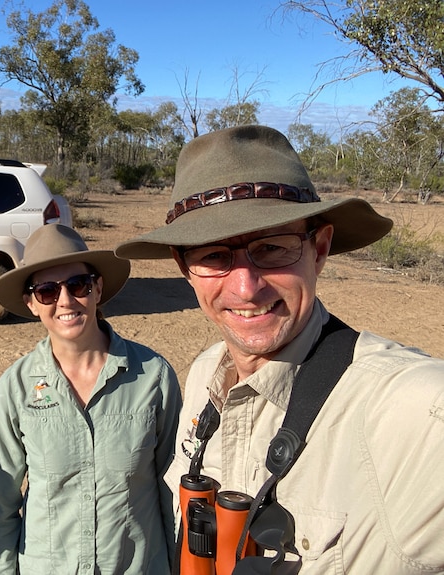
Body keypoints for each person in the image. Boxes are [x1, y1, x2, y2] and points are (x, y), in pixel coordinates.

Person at [116, 125, 444, 574]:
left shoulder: (405, 407)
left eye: (272, 248)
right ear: (184, 267)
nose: (246, 287)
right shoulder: (205, 373)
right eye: (213, 256)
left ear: (320, 249)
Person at [0, 223, 182, 574]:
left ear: (97, 288)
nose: (66, 300)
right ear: (31, 303)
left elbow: (172, 492)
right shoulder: (16, 387)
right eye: (47, 291)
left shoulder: (153, 377)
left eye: (78, 285)